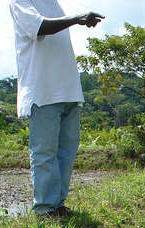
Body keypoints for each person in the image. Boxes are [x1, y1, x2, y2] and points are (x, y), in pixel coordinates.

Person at [9, 1, 104, 216]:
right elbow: (40, 26)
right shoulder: (21, 2)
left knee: (66, 151)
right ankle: (44, 209)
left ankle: (58, 205)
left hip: (68, 89)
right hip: (43, 90)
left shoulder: (54, 3)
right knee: (44, 152)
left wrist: (76, 18)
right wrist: (76, 18)